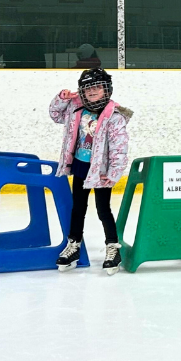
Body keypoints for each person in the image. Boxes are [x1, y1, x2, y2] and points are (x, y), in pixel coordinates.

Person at [49, 69, 132, 274]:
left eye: (97, 87)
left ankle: (113, 247)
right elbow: (55, 114)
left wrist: (113, 173)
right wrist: (61, 98)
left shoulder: (114, 116)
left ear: (106, 89)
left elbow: (120, 147)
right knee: (78, 207)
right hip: (80, 165)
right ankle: (74, 245)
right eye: (88, 88)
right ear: (82, 91)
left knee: (103, 209)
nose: (93, 91)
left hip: (101, 171)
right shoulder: (75, 108)